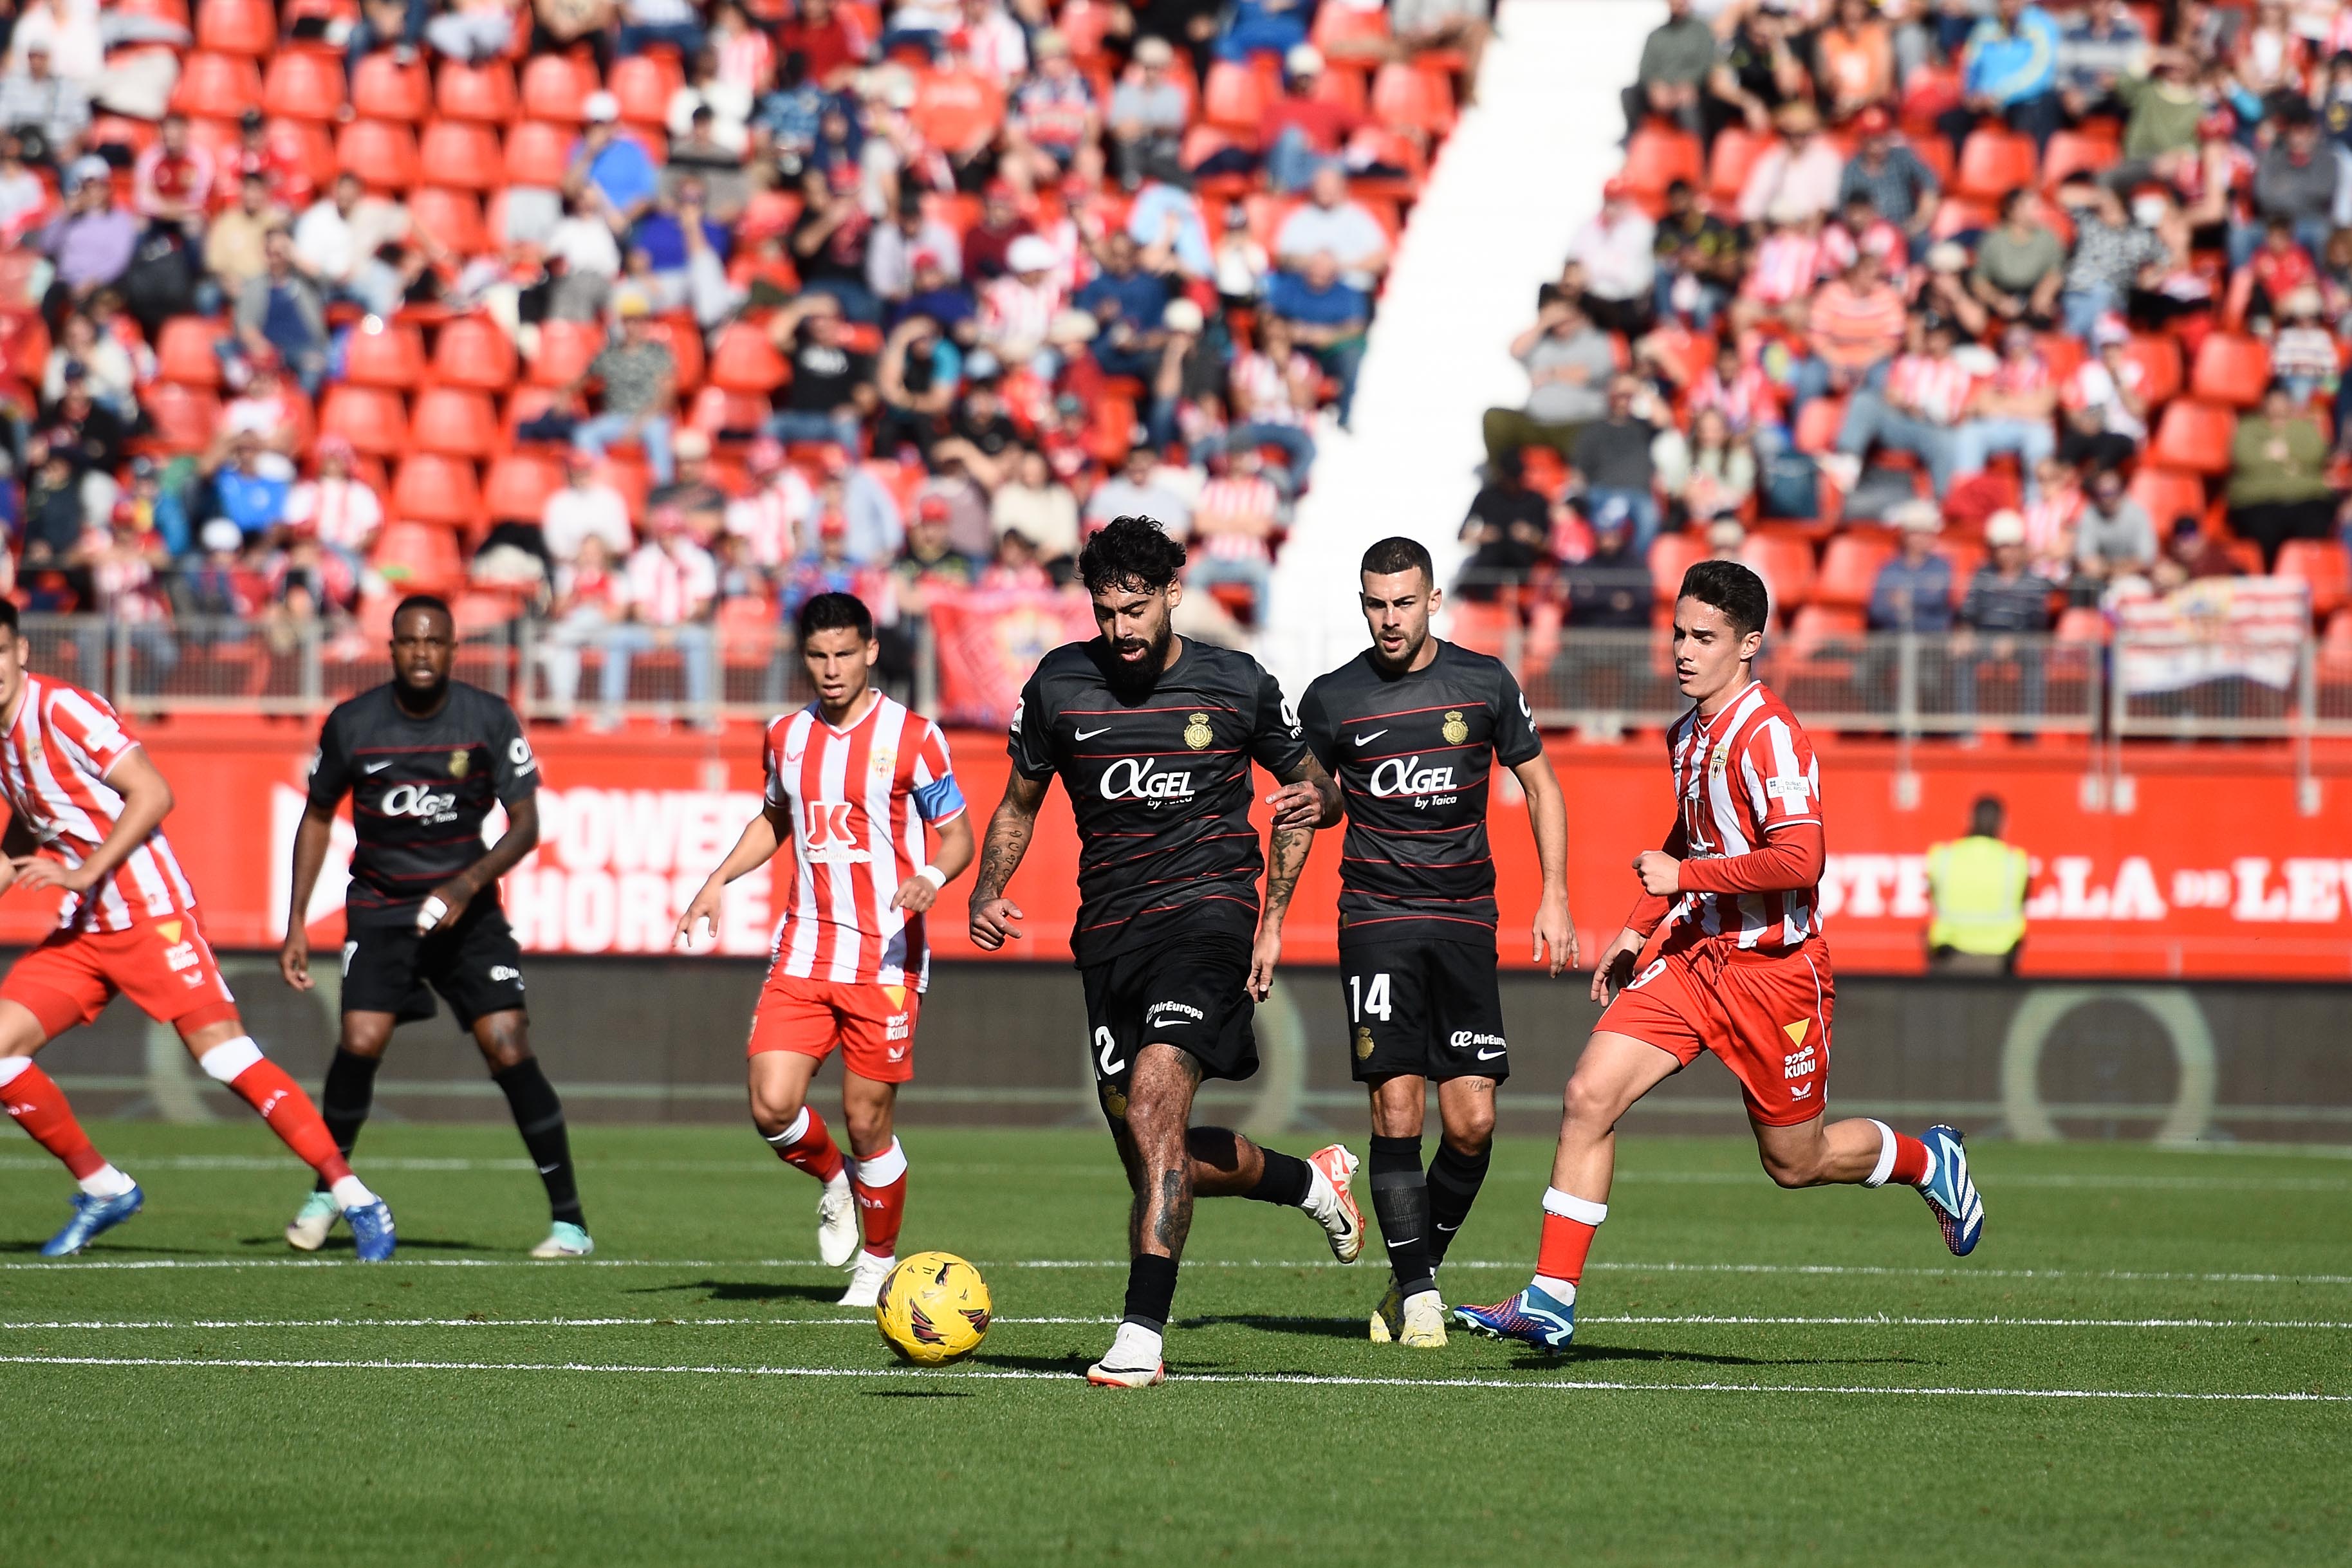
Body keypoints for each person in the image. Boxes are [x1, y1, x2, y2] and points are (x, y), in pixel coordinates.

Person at [1456, 561, 1985, 1352]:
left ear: (1749, 645)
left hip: (1776, 977)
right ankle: (1550, 1298)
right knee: (1587, 1095)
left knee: (1793, 1161)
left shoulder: (1767, 734)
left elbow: (1800, 858)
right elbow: (1692, 835)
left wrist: (1684, 878)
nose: (1682, 650)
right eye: (1677, 632)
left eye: (1703, 637)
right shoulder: (1687, 731)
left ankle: (1925, 1160)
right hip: (1697, 958)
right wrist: (1640, 926)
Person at [967, 515, 1358, 1388]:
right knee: (1152, 1152)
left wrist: (1276, 899)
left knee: (1152, 1106)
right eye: (1106, 613)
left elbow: (1314, 793)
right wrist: (987, 889)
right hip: (1108, 934)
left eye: (1135, 610)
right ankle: (1306, 1182)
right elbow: (1020, 802)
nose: (1121, 630)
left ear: (1173, 594)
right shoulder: (1059, 684)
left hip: (1206, 918)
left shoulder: (1237, 683)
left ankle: (1140, 1335)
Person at [0, 600, 396, 1259]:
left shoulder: (60, 708)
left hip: (150, 911)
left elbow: (153, 791)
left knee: (224, 1056)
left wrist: (84, 869)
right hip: (87, 929)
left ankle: (354, 1195)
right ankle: (104, 1189)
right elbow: (34, 814)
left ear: (19, 653)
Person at [1299, 537, 1575, 1347]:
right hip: (1376, 916)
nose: (1389, 619)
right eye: (1375, 604)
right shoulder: (1331, 698)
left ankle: (1404, 1276)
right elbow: (1314, 798)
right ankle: (1421, 1293)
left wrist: (1554, 894)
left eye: (1403, 603)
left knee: (1473, 1122)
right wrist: (1306, 813)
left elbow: (1541, 784)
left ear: (1432, 599)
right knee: (1396, 1107)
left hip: (1465, 918)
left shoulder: (1483, 682)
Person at [676, 591, 973, 1305]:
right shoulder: (784, 736)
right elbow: (774, 817)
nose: (832, 669)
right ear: (802, 657)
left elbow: (958, 833)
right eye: (818, 655)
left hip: (885, 960)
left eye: (845, 654)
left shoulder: (913, 736)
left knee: (869, 1119)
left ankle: (877, 1262)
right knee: (771, 1106)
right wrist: (715, 881)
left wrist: (931, 876)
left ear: (871, 651)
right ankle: (835, 1177)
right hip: (803, 952)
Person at [279, 596, 584, 1259]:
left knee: (507, 1044)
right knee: (359, 1038)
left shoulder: (487, 717)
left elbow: (527, 823)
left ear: (452, 649)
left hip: (467, 910)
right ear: (391, 650)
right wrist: (297, 919)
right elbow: (318, 815)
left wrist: (465, 885)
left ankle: (569, 1222)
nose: (422, 653)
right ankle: (329, 1188)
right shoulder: (354, 724)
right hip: (382, 905)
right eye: (409, 642)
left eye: (434, 642)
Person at [1483, 291, 1615, 466]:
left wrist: (1551, 373)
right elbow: (1515, 350)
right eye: (1556, 320)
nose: (1560, 325)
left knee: (1591, 443)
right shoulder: (1542, 344)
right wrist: (1543, 323)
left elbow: (1590, 373)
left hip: (1577, 424)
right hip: (1537, 422)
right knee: (1495, 419)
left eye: (1565, 318)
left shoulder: (1596, 341)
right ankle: (1502, 484)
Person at [2227, 380, 2337, 568]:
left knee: (2314, 521)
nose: (2277, 406)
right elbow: (2244, 458)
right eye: (2272, 400)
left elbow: (2316, 454)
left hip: (2305, 497)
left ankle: (2306, 572)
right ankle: (2269, 576)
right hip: (2258, 500)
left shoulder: (2305, 427)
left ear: (2289, 403)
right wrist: (2292, 462)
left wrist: (2277, 455)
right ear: (2264, 402)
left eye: (2281, 400)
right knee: (2263, 527)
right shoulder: (2248, 428)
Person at [1925, 795, 2030, 975]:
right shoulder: (2015, 862)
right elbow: (2021, 905)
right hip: (1998, 962)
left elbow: (1933, 899)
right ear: (2003, 823)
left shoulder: (1942, 858)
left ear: (1968, 819)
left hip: (1949, 958)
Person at [1622, 0, 1716, 138]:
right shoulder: (1656, 35)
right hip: (1660, 91)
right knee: (1629, 93)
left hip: (1689, 90)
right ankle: (1633, 140)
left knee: (1689, 107)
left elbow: (1706, 64)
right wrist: (1655, 86)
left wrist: (1688, 84)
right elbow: (1645, 69)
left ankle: (1696, 150)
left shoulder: (1702, 31)